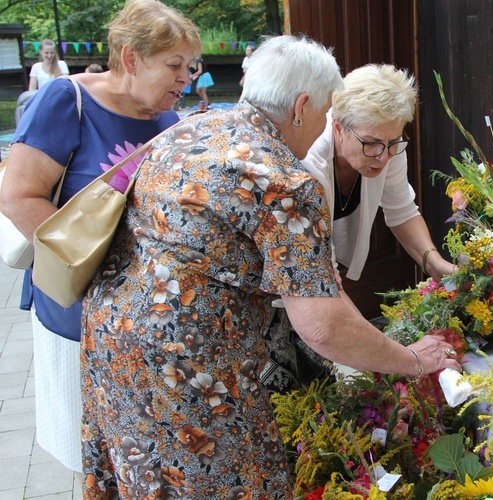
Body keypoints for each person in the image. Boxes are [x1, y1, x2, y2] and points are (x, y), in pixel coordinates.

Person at [79, 34, 461, 498]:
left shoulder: (191, 128)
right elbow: (323, 325)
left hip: (113, 346)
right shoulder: (283, 180)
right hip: (190, 369)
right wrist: (412, 359)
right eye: (324, 112)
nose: (325, 125)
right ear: (302, 106)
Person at [0, 0, 201, 476]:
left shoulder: (170, 122)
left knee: (140, 456)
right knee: (90, 452)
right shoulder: (67, 100)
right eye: (174, 65)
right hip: (78, 308)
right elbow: (18, 196)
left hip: (141, 320)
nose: (186, 78)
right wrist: (97, 274)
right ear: (131, 58)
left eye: (189, 67)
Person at [303, 63, 455, 282]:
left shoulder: (388, 146)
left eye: (393, 141)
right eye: (370, 143)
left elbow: (401, 211)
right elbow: (321, 272)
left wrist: (437, 267)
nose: (383, 157)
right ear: (338, 129)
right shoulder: (309, 158)